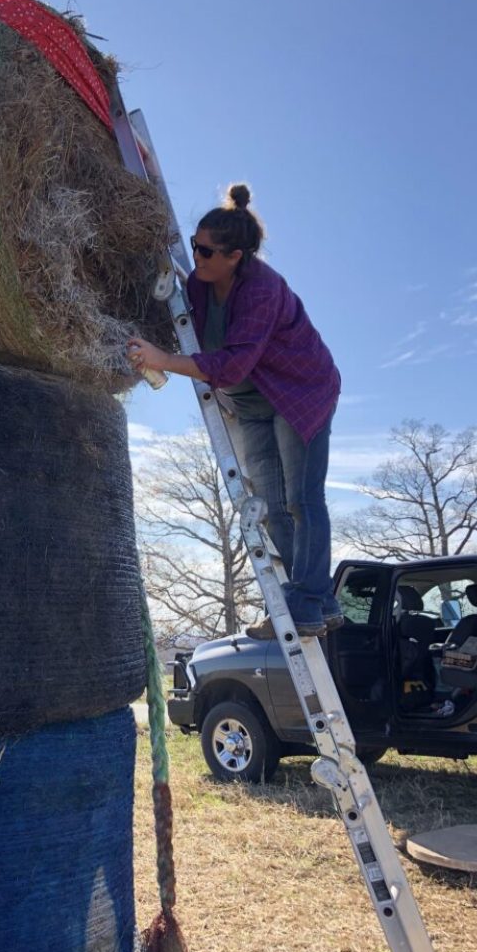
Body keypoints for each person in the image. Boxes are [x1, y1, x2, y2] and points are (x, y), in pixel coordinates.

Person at [127, 184, 342, 638]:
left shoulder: (262, 290)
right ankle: (314, 600)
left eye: (207, 251)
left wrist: (164, 361)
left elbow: (232, 363)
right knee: (269, 505)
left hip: (299, 394)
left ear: (236, 256)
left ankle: (306, 600)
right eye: (195, 246)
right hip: (248, 403)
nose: (198, 256)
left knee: (302, 499)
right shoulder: (202, 285)